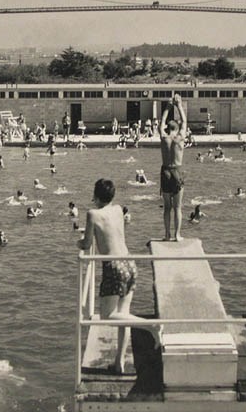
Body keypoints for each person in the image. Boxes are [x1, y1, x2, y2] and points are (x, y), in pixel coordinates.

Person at [77, 179, 161, 374]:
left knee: (107, 315)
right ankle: (119, 363)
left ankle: (151, 326)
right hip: (129, 263)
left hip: (114, 267)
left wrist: (78, 244)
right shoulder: (117, 210)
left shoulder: (93, 214)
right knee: (124, 315)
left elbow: (87, 242)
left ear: (96, 196)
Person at [160, 94, 187, 242]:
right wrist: (179, 105)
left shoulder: (164, 138)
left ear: (168, 128)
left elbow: (161, 123)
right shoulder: (180, 138)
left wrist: (168, 107)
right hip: (177, 170)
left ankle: (166, 235)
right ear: (176, 129)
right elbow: (184, 121)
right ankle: (177, 235)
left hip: (165, 172)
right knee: (177, 207)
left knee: (166, 207)